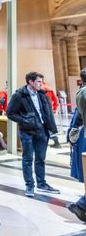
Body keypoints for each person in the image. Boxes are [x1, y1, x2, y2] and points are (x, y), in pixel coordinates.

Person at [7, 71, 59, 196]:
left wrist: (52, 130)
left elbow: (48, 113)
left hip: (42, 131)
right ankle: (29, 186)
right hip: (27, 132)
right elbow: (10, 113)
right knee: (28, 159)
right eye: (38, 81)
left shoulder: (42, 94)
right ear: (30, 81)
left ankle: (41, 184)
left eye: (41, 81)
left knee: (41, 159)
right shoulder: (19, 95)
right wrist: (24, 120)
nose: (41, 84)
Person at [67, 68, 86, 223]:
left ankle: (82, 204)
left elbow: (77, 118)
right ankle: (82, 204)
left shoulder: (81, 93)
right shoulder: (84, 93)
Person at [42, 80, 61, 148]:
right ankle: (56, 142)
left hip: (42, 111)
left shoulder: (38, 89)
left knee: (43, 127)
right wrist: (54, 108)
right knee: (51, 126)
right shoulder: (49, 89)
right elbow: (55, 100)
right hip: (49, 110)